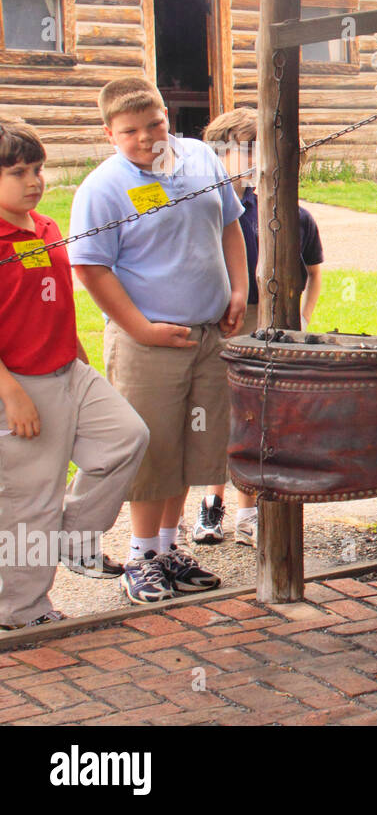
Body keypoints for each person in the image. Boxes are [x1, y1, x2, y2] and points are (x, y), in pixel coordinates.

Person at [69, 79, 246, 604]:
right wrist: (140, 328)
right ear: (109, 133)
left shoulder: (201, 159)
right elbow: (90, 267)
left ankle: (168, 550)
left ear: (168, 116)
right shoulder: (102, 189)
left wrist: (238, 289)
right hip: (149, 343)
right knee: (153, 447)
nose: (147, 138)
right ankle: (141, 556)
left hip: (208, 334)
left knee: (194, 446)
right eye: (130, 131)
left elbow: (230, 225)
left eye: (155, 124)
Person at [0, 118, 149, 628]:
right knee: (30, 503)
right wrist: (12, 395)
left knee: (126, 438)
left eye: (37, 169)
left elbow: (51, 298)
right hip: (18, 383)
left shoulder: (44, 226)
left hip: (68, 368)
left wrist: (78, 350)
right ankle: (21, 610)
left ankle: (73, 537)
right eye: (18, 172)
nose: (34, 181)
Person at [191, 108, 324, 547]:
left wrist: (303, 315)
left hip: (263, 318)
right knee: (215, 414)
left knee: (255, 415)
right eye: (243, 149)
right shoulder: (202, 203)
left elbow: (313, 270)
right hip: (217, 318)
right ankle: (211, 503)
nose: (252, 159)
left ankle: (248, 512)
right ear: (219, 151)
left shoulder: (284, 211)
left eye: (259, 150)